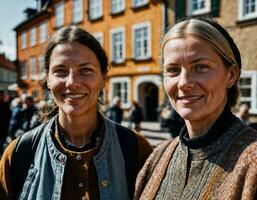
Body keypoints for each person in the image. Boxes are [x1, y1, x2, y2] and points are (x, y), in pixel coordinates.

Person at [0, 26, 153, 200]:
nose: (72, 82)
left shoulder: (136, 149)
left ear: (103, 79)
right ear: (48, 79)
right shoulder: (18, 153)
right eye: (61, 71)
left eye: (85, 70)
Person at [134, 17, 257, 200]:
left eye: (200, 67)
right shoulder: (158, 156)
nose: (184, 83)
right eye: (173, 70)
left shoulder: (253, 161)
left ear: (231, 75)